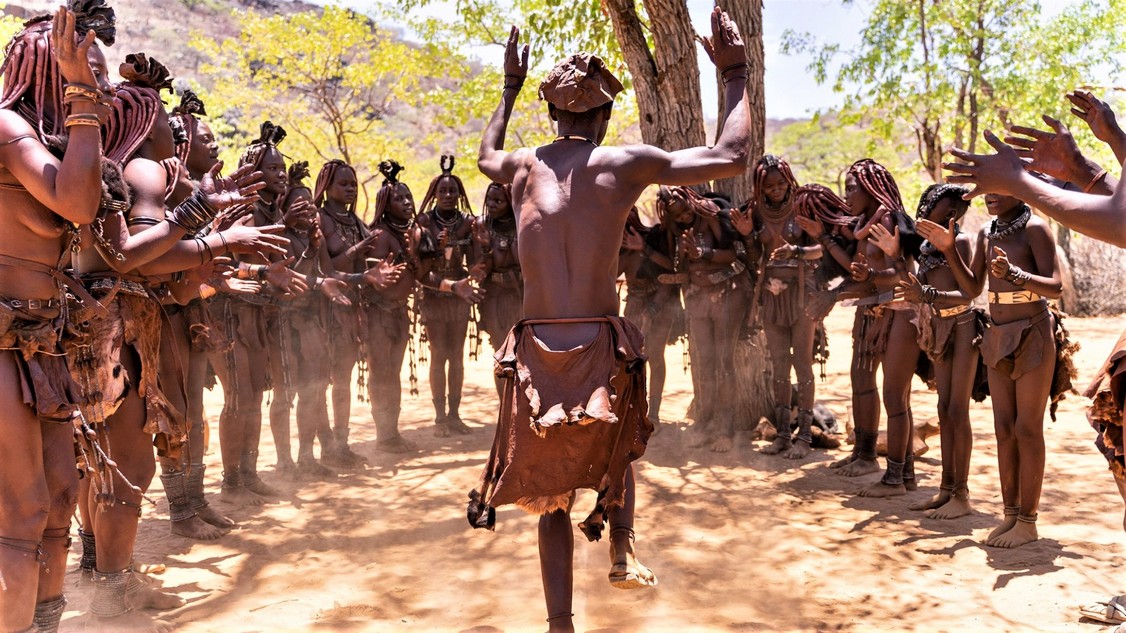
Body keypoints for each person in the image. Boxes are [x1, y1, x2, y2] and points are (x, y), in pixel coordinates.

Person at [470, 9, 749, 631]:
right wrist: (734, 73)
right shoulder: (622, 163)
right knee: (616, 434)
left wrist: (508, 87)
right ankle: (622, 547)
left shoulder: (519, 168)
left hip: (535, 349)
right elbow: (731, 154)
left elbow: (484, 151)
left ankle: (561, 623)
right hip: (597, 340)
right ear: (600, 118)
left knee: (551, 498)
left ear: (552, 115)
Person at [0, 6, 113, 632]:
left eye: (95, 73)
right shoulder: (4, 126)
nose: (97, 82)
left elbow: (96, 222)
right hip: (2, 344)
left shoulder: (56, 143)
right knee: (20, 515)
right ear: (50, 68)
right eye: (81, 69)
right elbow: (74, 203)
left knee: (59, 500)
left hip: (43, 347)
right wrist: (81, 100)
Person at [829, 159, 923, 498]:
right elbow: (865, 274)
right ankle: (884, 464)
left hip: (898, 312)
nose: (847, 195)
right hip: (875, 311)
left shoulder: (887, 220)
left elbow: (901, 273)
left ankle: (896, 478)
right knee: (868, 383)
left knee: (896, 396)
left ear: (871, 188)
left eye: (852, 187)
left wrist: (869, 280)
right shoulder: (867, 223)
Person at [899, 184, 983, 519]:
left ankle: (961, 495)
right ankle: (946, 490)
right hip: (941, 330)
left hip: (963, 327)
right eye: (936, 207)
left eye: (952, 211)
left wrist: (927, 295)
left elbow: (967, 294)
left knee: (957, 411)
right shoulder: (924, 246)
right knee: (944, 408)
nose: (947, 216)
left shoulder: (959, 242)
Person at [731, 154, 822, 459]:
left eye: (780, 183)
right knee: (779, 366)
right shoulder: (754, 212)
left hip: (802, 295)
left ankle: (805, 436)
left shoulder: (802, 206)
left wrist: (797, 251)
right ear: (760, 186)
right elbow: (755, 255)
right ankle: (783, 433)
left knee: (803, 363)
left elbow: (821, 248)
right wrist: (746, 235)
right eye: (768, 186)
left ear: (788, 179)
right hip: (771, 294)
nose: (775, 189)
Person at [658, 185, 749, 453]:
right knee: (705, 362)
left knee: (724, 362)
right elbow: (682, 265)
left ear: (691, 202)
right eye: (677, 215)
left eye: (685, 210)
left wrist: (704, 255)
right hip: (697, 299)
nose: (684, 217)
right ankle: (706, 423)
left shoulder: (713, 217)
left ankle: (726, 429)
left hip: (727, 297)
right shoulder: (676, 229)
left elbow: (736, 255)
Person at [415, 156, 483, 436]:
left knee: (456, 356)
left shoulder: (468, 222)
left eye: (452, 191)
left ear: (459, 194)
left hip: (459, 295)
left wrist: (478, 267)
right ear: (434, 194)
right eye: (442, 191)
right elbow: (419, 264)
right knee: (438, 354)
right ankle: (440, 418)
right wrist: (435, 246)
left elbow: (477, 262)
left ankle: (454, 415)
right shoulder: (423, 221)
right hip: (433, 294)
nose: (447, 195)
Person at [361, 160, 421, 453]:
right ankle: (384, 436)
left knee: (392, 373)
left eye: (408, 196)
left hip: (398, 312)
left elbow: (420, 272)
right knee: (381, 373)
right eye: (399, 198)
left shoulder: (405, 233)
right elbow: (374, 280)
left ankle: (391, 434)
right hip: (379, 315)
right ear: (385, 203)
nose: (407, 202)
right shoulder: (380, 236)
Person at [619, 205, 684, 430]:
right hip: (635, 304)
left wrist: (643, 248)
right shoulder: (615, 243)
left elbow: (671, 267)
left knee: (655, 355)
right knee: (633, 358)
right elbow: (611, 272)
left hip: (661, 303)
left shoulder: (656, 236)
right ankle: (636, 409)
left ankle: (653, 412)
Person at [471, 181, 523, 365]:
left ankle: (520, 394)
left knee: (524, 351)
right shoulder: (481, 224)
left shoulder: (522, 223)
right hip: (495, 296)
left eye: (498, 201)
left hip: (522, 295)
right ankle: (503, 395)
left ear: (510, 202)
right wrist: (486, 248)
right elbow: (480, 271)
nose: (491, 204)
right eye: (489, 199)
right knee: (502, 353)